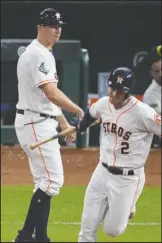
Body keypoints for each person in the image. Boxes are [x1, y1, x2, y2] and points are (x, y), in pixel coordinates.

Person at [13, 8, 84, 242]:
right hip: (35, 121)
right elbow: (51, 93)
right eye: (52, 25)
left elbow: (45, 97)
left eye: (59, 26)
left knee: (43, 182)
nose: (57, 30)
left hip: (37, 118)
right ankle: (26, 237)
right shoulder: (38, 54)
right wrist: (77, 109)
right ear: (39, 28)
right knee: (53, 182)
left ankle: (39, 237)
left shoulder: (42, 52)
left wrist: (62, 120)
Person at [71, 67, 161, 242]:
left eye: (119, 92)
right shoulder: (104, 103)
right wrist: (81, 126)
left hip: (128, 178)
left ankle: (129, 205)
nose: (113, 95)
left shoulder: (143, 113)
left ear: (128, 93)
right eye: (112, 89)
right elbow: (91, 114)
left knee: (113, 230)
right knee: (87, 226)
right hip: (101, 172)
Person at [143, 45, 161, 148]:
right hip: (156, 141)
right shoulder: (150, 94)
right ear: (151, 73)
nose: (161, 74)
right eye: (157, 71)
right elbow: (157, 121)